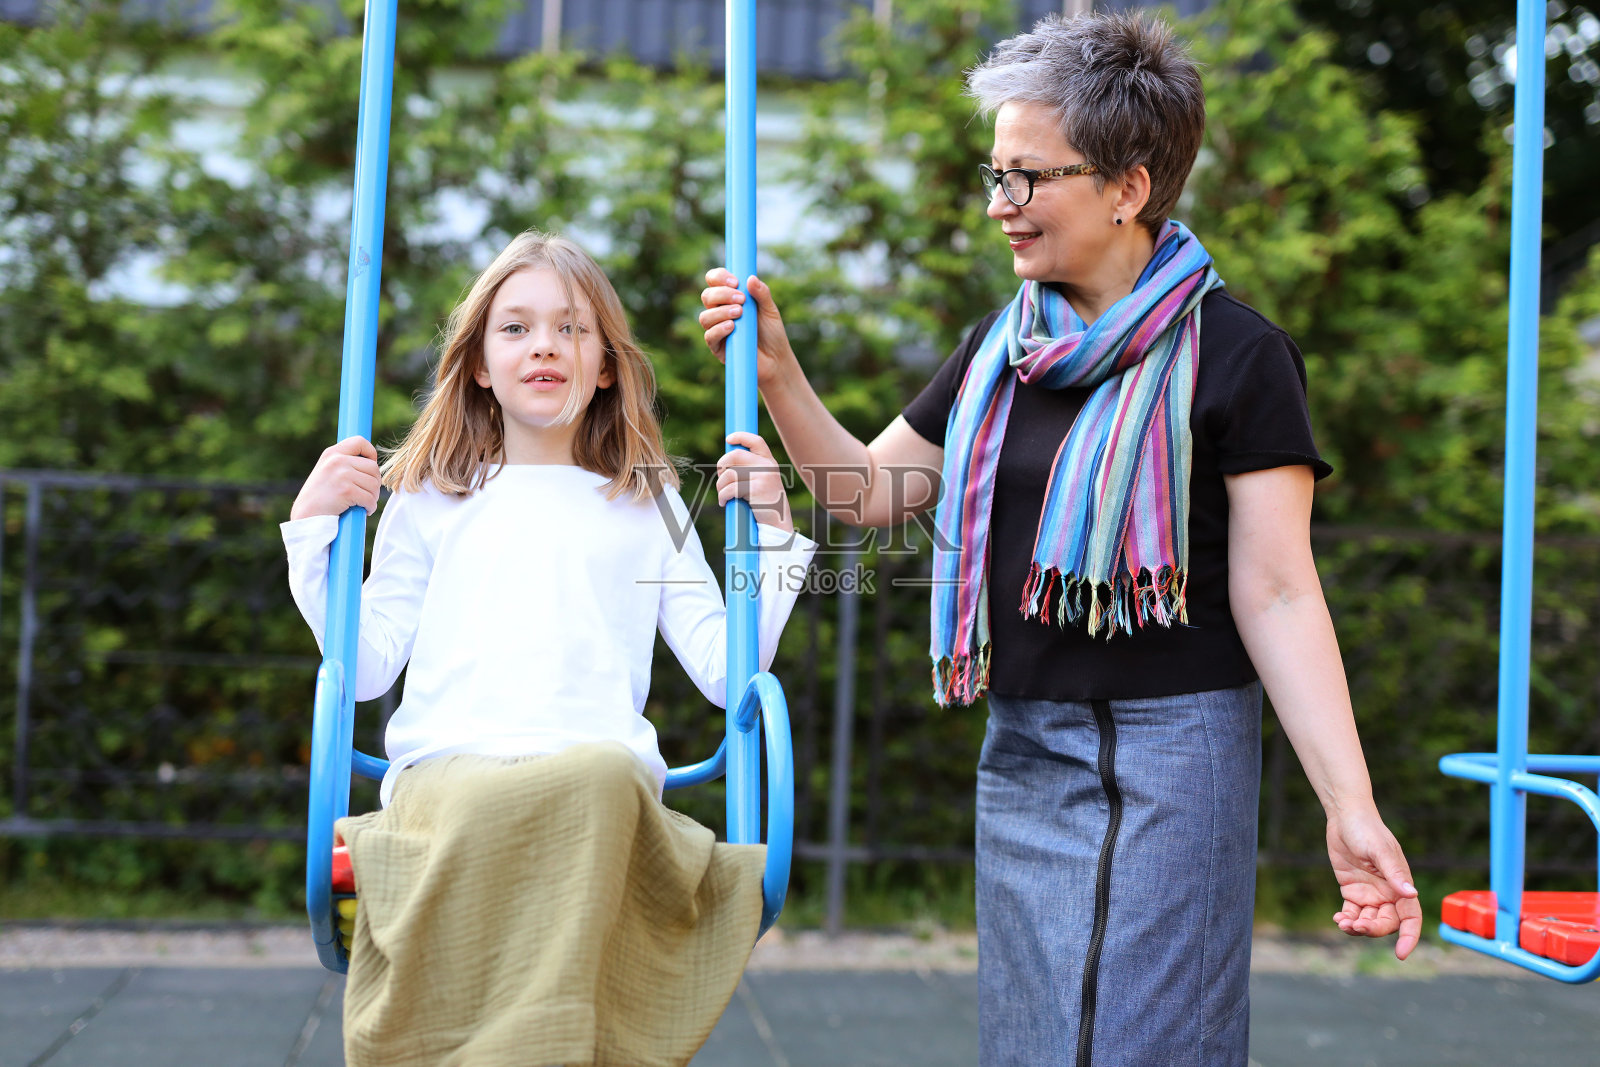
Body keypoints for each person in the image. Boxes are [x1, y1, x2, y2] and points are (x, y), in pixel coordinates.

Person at [698, 12, 1420, 1066]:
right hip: (1023, 749)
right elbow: (869, 492)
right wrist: (778, 373)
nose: (1001, 203)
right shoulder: (1001, 348)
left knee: (1145, 1044)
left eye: (1029, 177)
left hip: (1173, 756)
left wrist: (1349, 804)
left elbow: (1277, 591)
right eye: (996, 174)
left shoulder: (1237, 355)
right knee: (1036, 1043)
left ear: (1129, 187)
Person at [283, 230, 816, 1066]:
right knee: (541, 789)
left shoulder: (647, 503)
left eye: (571, 328)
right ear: (478, 365)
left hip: (596, 777)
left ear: (604, 365)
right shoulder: (430, 498)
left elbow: (727, 671)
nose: (544, 345)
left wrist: (774, 535)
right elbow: (366, 663)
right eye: (516, 327)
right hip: (451, 773)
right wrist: (314, 531)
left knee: (601, 773)